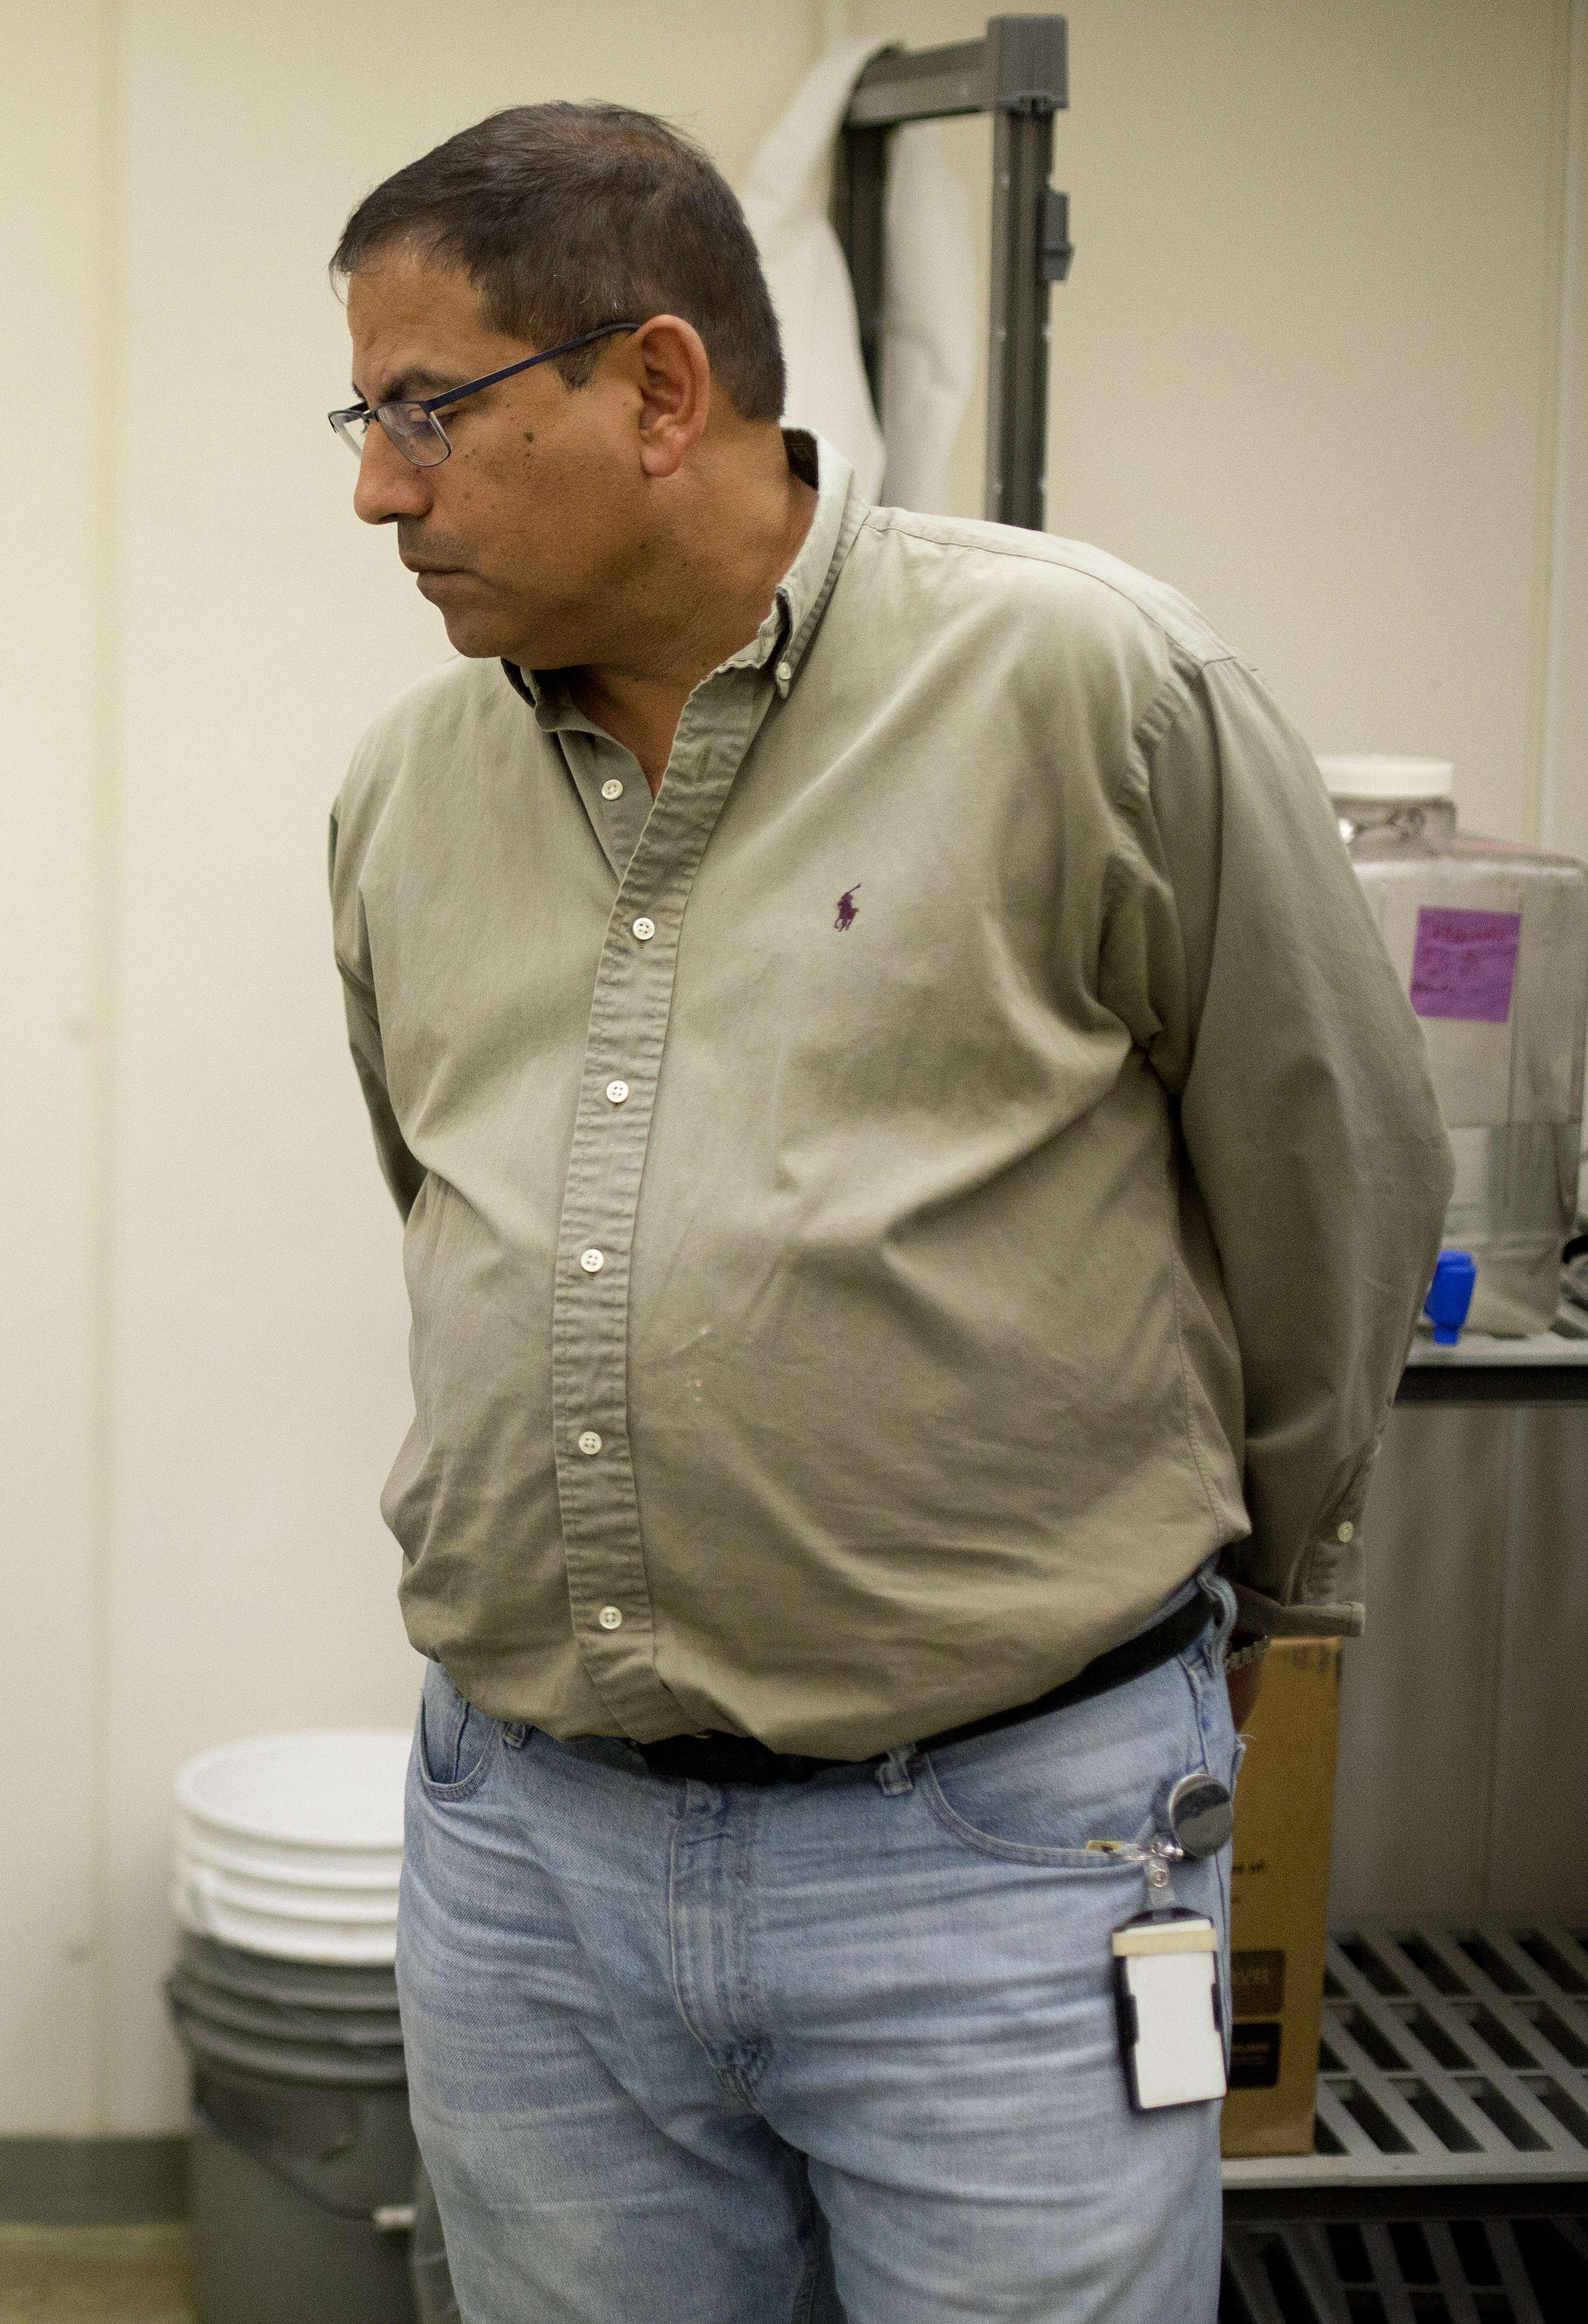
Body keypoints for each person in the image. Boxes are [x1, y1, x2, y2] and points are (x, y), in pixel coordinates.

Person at [320, 107, 1448, 2318]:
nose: (379, 487)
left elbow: (1339, 1175)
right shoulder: (406, 794)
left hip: (1004, 1856)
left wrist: (1256, 1608)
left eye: (428, 411)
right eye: (365, 417)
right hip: (535, 1868)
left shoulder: (1088, 688)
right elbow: (455, 1212)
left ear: (661, 390)